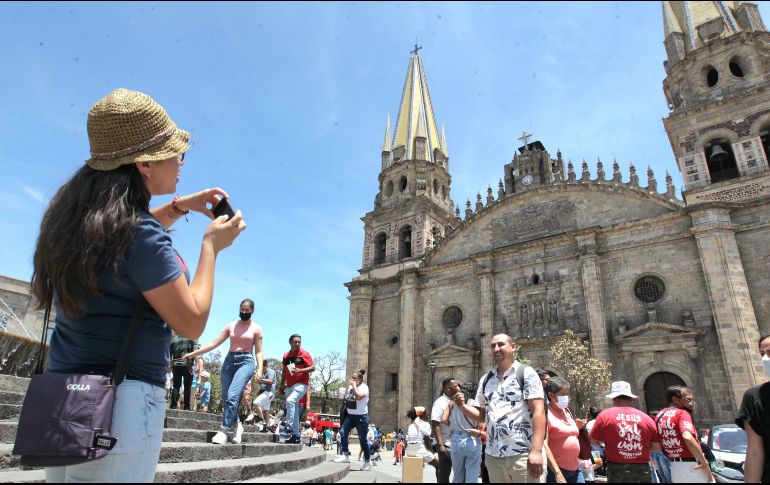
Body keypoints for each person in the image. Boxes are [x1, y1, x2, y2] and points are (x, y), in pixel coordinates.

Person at [32, 88, 246, 482]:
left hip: (63, 393)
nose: (181, 161)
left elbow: (124, 242)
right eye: (175, 152)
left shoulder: (69, 220)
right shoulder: (140, 233)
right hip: (120, 403)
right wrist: (211, 247)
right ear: (145, 162)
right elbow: (191, 321)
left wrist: (181, 206)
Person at [453, 334, 546, 483]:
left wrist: (536, 451)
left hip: (522, 454)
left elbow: (538, 412)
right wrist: (462, 406)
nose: (496, 348)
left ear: (513, 347)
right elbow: (482, 415)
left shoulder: (526, 373)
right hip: (494, 457)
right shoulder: (486, 379)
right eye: (493, 346)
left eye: (501, 344)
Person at [183, 298, 264, 445]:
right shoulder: (231, 325)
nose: (244, 312)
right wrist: (193, 353)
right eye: (242, 309)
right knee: (227, 398)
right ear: (239, 309)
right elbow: (214, 343)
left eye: (247, 310)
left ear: (252, 311)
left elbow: (258, 351)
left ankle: (223, 430)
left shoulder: (256, 328)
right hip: (229, 361)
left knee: (233, 395)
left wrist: (259, 368)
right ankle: (237, 426)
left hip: (246, 361)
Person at [589, 381, 662, 483]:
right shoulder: (646, 418)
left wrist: (610, 444)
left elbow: (593, 440)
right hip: (642, 468)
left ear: (614, 398)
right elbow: (657, 447)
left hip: (616, 468)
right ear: (631, 398)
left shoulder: (604, 416)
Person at [655, 386, 712, 483]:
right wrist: (703, 462)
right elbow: (687, 437)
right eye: (688, 400)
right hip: (693, 466)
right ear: (675, 399)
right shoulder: (682, 413)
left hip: (675, 467)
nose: (692, 404)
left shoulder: (660, 415)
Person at [737, 333, 770, 483]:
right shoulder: (755, 397)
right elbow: (755, 452)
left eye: (769, 352)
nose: (765, 358)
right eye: (762, 353)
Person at [544, 377, 586, 483]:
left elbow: (569, 433)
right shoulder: (545, 414)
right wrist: (557, 472)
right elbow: (544, 444)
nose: (566, 397)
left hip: (576, 468)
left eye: (567, 394)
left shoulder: (567, 411)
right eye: (563, 394)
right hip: (556, 471)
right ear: (551, 395)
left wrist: (579, 427)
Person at [333, 369, 374, 471]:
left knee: (363, 439)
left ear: (360, 379)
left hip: (361, 416)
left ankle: (368, 461)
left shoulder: (364, 387)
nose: (352, 380)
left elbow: (359, 397)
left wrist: (354, 386)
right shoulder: (351, 387)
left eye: (354, 378)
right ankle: (345, 455)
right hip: (350, 416)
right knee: (343, 432)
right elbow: (352, 398)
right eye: (352, 378)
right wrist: (345, 398)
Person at [443, 382, 482, 484]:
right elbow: (480, 421)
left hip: (455, 439)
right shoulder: (473, 403)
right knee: (472, 477)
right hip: (471, 437)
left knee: (457, 476)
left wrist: (453, 425)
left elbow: (443, 420)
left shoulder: (452, 403)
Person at [280, 334, 315, 444]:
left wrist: (299, 371)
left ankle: (288, 426)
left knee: (290, 401)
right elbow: (284, 371)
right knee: (293, 410)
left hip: (302, 384)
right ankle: (296, 435)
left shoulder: (304, 353)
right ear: (290, 342)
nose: (297, 344)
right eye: (295, 342)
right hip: (290, 385)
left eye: (299, 342)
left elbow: (313, 367)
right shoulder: (286, 355)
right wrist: (281, 385)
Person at [432, 378, 459, 483]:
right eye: (455, 386)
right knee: (444, 473)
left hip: (453, 443)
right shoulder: (440, 403)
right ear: (448, 388)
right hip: (445, 444)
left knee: (457, 472)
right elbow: (435, 423)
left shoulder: (452, 401)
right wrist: (440, 444)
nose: (458, 388)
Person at [169, 332, 199, 410]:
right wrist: (198, 364)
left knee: (176, 385)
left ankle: (173, 405)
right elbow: (195, 352)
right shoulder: (193, 337)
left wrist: (170, 364)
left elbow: (169, 353)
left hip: (176, 364)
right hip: (188, 365)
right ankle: (186, 406)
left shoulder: (173, 338)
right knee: (187, 387)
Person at [405, 406, 440, 470]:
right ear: (422, 414)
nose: (428, 415)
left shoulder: (411, 425)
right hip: (419, 450)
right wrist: (433, 453)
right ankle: (440, 480)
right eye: (426, 413)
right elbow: (427, 442)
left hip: (409, 451)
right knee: (439, 465)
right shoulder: (425, 424)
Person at [253, 360, 277, 432]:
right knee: (265, 410)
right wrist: (259, 381)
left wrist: (261, 379)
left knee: (256, 403)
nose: (260, 368)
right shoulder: (264, 373)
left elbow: (270, 381)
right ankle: (267, 426)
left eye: (261, 367)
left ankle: (261, 419)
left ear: (265, 366)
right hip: (265, 392)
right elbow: (263, 384)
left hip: (269, 392)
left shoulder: (270, 372)